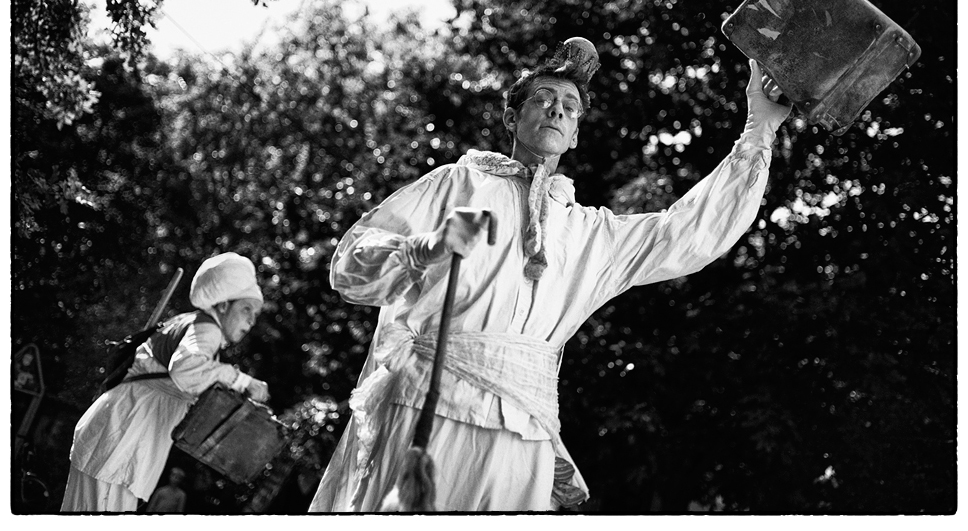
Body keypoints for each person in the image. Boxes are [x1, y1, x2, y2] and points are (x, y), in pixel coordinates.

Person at [308, 38, 791, 512]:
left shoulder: (589, 233)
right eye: (543, 99)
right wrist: (422, 249)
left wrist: (758, 127)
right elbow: (351, 264)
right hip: (426, 409)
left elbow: (685, 233)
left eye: (570, 106)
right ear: (511, 118)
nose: (558, 110)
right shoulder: (457, 183)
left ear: (576, 134)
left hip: (526, 429)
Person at [61, 252, 270, 512]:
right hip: (124, 439)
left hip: (117, 435)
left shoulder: (191, 324)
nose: (251, 321)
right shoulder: (207, 330)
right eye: (246, 309)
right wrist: (242, 381)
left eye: (256, 313)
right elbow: (186, 372)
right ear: (224, 305)